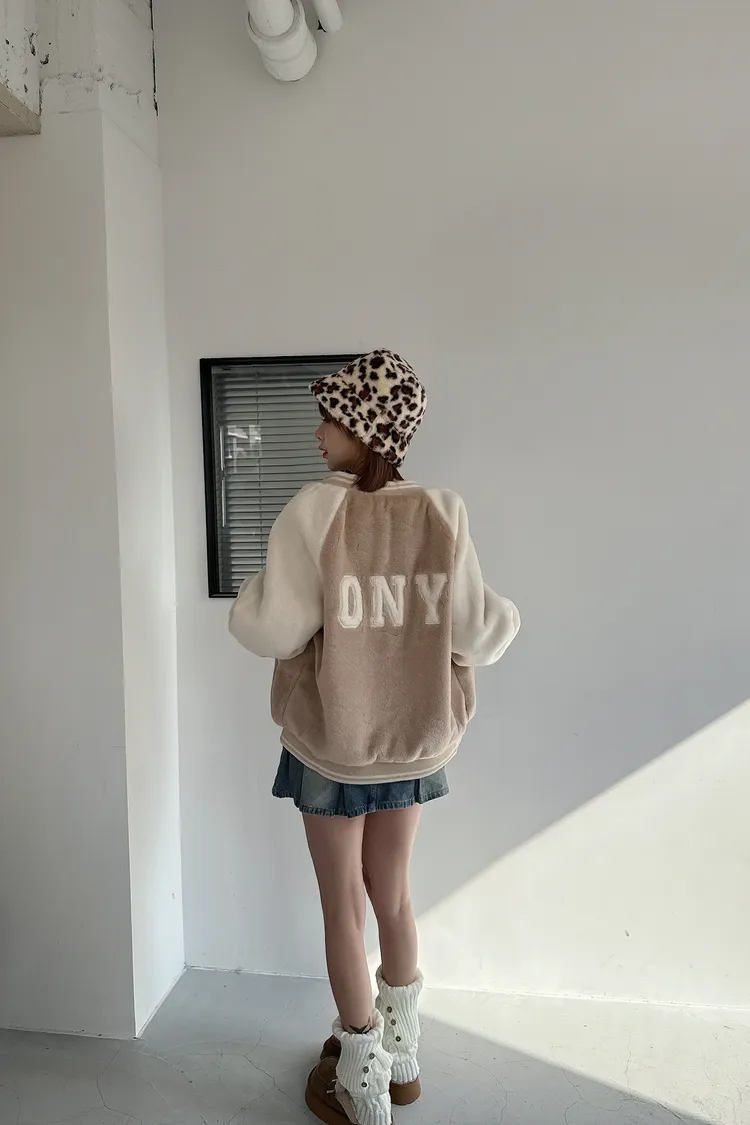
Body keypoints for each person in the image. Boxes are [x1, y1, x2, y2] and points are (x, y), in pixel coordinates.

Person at [228, 350, 520, 1125]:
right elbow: (478, 632)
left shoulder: (313, 511)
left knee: (342, 910)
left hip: (334, 743)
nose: (318, 431)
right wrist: (507, 616)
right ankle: (403, 1054)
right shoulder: (441, 510)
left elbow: (272, 628)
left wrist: (253, 600)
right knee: (393, 895)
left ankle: (361, 1078)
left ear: (362, 427)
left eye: (329, 417)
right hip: (414, 741)